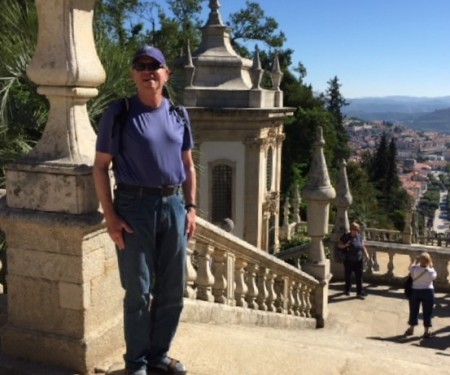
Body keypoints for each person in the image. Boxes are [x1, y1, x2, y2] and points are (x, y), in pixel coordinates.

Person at [93, 45, 196, 375]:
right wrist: (110, 216)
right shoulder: (120, 112)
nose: (148, 70)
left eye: (155, 65)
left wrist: (191, 208)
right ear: (133, 73)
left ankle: (158, 356)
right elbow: (100, 167)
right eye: (141, 64)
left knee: (172, 289)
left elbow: (189, 166)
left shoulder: (179, 114)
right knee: (138, 291)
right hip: (134, 206)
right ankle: (136, 363)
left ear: (167, 74)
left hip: (174, 205)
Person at [404, 252, 437, 338]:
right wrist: (430, 264)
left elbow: (410, 267)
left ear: (420, 260)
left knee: (413, 311)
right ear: (429, 261)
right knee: (428, 312)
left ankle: (411, 328)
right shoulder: (431, 271)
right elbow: (434, 276)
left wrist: (415, 261)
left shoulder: (414, 269)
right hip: (428, 291)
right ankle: (427, 330)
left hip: (415, 291)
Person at [337, 222, 369, 299]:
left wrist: (366, 254)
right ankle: (347, 289)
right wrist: (345, 245)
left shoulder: (359, 236)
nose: (355, 231)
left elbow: (362, 246)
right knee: (348, 275)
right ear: (350, 229)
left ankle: (359, 292)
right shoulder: (346, 236)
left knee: (359, 276)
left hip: (358, 260)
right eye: (353, 229)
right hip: (349, 260)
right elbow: (339, 245)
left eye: (356, 230)